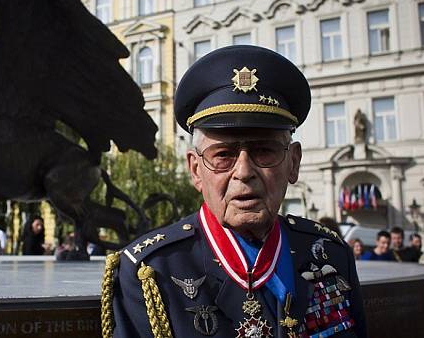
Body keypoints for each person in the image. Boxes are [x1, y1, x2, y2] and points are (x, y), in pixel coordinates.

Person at [102, 46, 366, 338]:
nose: (243, 171)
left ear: (293, 163)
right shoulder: (151, 272)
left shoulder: (330, 255)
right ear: (195, 170)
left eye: (264, 151)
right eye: (223, 155)